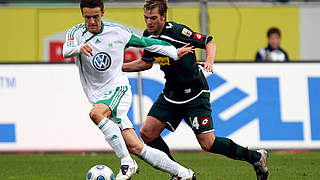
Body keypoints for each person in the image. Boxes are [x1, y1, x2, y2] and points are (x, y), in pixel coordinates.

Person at [122, 0, 269, 180]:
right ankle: (178, 173)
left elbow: (209, 43)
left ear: (164, 17)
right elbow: (145, 62)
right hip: (171, 95)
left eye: (153, 18)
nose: (149, 22)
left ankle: (256, 157)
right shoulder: (148, 36)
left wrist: (209, 62)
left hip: (195, 94)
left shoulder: (178, 32)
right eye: (146, 18)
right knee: (147, 133)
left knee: (208, 144)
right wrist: (118, 67)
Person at [62, 0, 196, 179]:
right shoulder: (76, 33)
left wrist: (173, 52)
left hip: (118, 89)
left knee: (96, 114)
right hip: (98, 96)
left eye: (95, 16)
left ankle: (126, 162)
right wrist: (79, 47)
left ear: (103, 12)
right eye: (88, 17)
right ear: (82, 15)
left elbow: (146, 42)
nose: (92, 21)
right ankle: (183, 173)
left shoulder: (117, 32)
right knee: (136, 147)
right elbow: (66, 50)